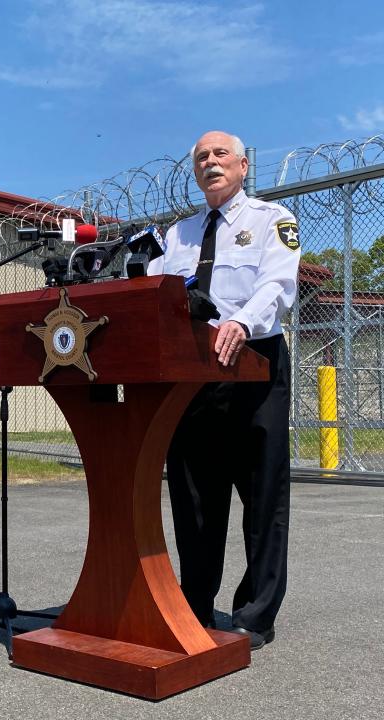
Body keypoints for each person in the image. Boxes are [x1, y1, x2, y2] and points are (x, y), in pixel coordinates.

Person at [148, 130, 301, 650]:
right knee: (195, 496)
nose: (210, 163)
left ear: (242, 166)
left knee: (261, 495)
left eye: (220, 155)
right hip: (193, 375)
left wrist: (241, 322)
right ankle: (193, 604)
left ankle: (255, 614)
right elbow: (155, 293)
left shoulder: (271, 221)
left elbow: (278, 286)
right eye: (201, 158)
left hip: (253, 367)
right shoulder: (178, 235)